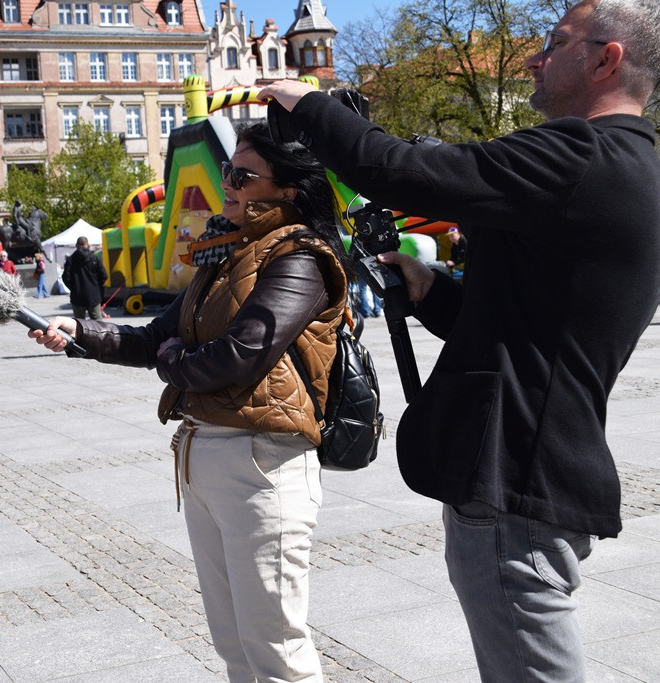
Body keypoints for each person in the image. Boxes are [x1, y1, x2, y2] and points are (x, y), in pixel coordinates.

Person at [260, 0, 660, 679]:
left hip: (516, 471)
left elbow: (398, 171)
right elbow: (534, 323)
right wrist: (432, 291)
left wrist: (308, 105)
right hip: (532, 463)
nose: (534, 58)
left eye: (554, 42)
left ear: (606, 58)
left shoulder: (581, 154)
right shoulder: (622, 163)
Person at [31, 122, 350, 681]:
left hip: (263, 462)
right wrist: (80, 332)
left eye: (244, 175)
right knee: (233, 642)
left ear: (288, 189)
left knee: (275, 647)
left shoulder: (300, 257)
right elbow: (155, 337)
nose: (228, 183)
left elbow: (241, 354)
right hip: (204, 454)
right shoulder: (227, 254)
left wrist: (173, 361)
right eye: (229, 170)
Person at [61, 236, 107, 320]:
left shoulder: (71, 259)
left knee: (80, 323)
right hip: (93, 295)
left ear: (76, 245)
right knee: (98, 323)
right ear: (88, 244)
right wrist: (96, 286)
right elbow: (104, 276)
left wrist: (73, 288)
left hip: (77, 296)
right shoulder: (95, 258)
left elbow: (65, 277)